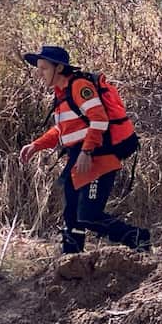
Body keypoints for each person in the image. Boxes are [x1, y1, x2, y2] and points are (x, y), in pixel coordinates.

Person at [19, 45, 150, 254]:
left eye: (43, 68)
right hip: (79, 161)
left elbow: (99, 118)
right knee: (72, 216)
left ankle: (138, 239)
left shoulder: (79, 86)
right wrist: (36, 145)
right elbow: (63, 131)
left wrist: (86, 151)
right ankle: (70, 261)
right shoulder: (62, 95)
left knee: (89, 216)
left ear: (59, 68)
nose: (39, 73)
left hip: (97, 159)